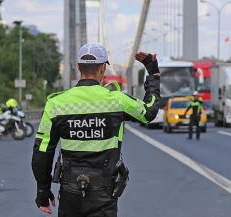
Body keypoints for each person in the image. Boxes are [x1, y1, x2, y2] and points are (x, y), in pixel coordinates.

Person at [31, 43, 161, 217]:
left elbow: (42, 152)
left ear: (78, 67)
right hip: (104, 192)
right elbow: (149, 112)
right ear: (103, 68)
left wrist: (42, 191)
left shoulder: (56, 104)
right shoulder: (117, 101)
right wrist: (153, 75)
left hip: (70, 191)